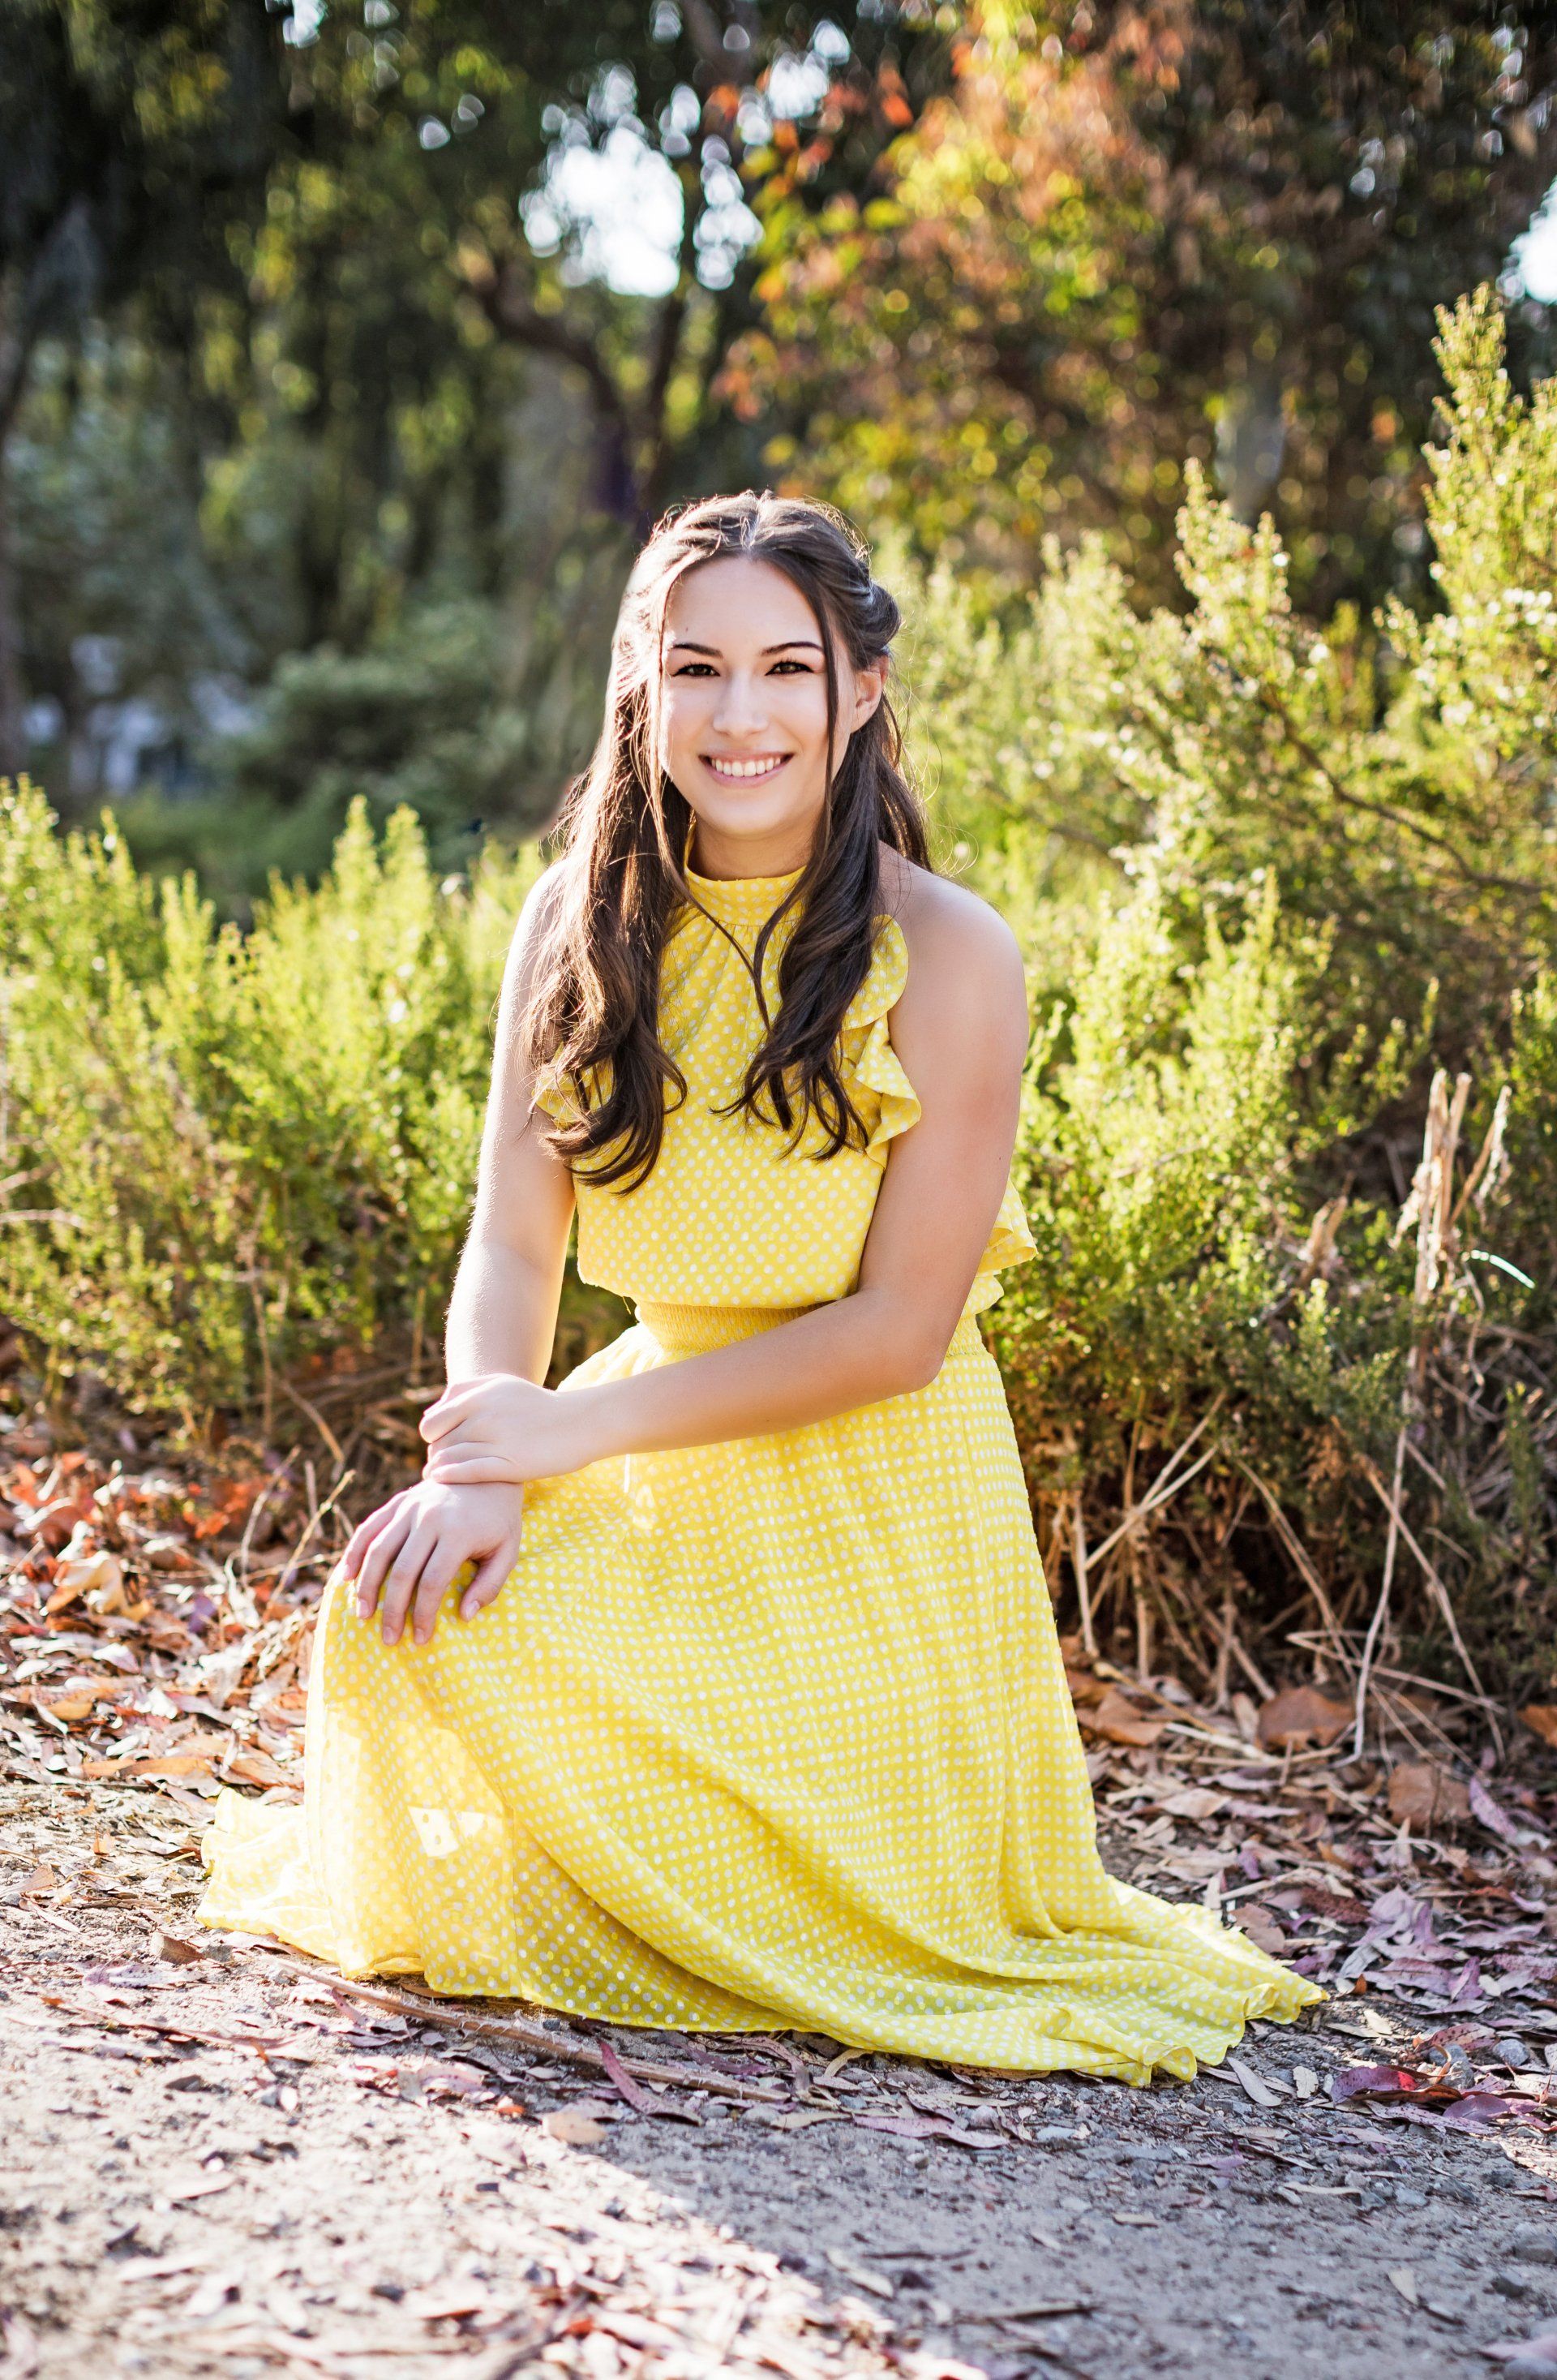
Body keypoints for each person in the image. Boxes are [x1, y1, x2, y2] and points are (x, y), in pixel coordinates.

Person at [199, 490, 1320, 2081]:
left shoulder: (953, 954)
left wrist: (557, 1442)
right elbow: (514, 1245)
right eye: (698, 668)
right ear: (639, 689)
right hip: (643, 1458)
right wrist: (483, 1464)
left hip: (873, 1506)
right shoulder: (574, 926)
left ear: (860, 690)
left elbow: (897, 1333)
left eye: (786, 670)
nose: (741, 718)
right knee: (400, 1622)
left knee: (773, 1834)